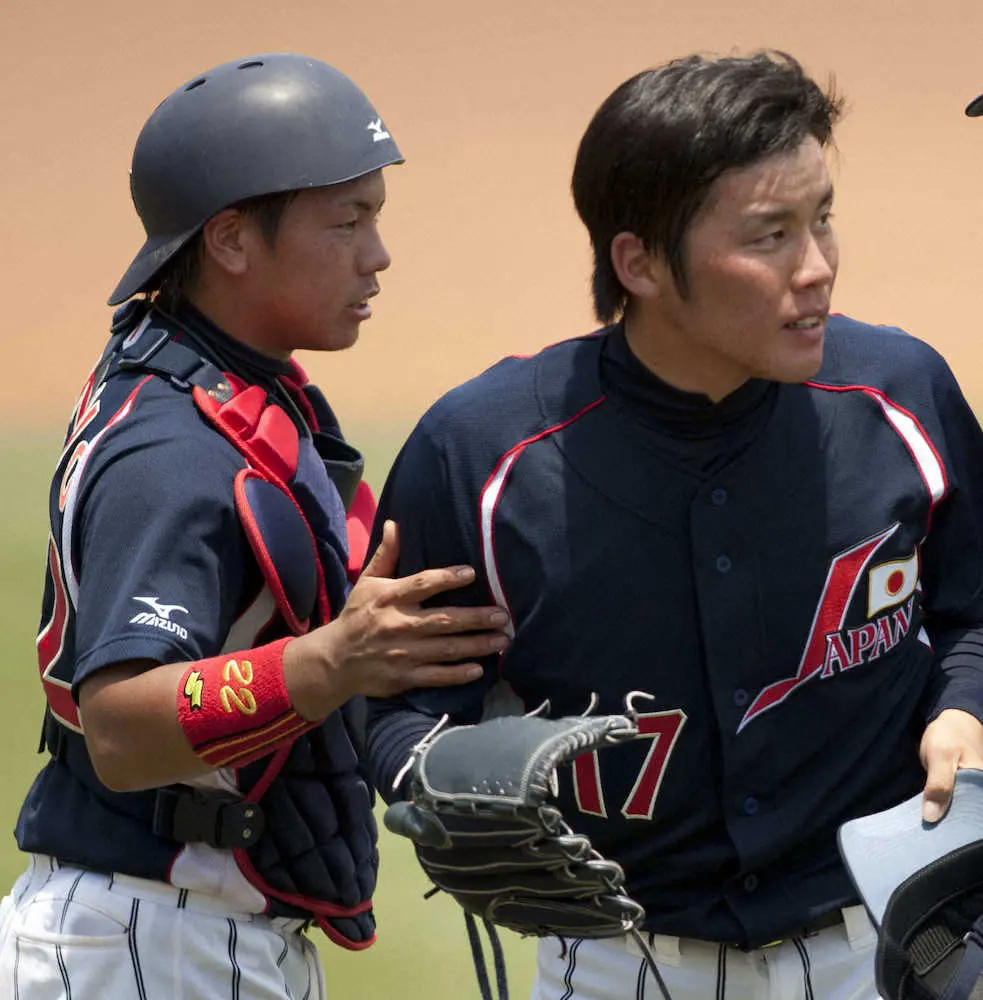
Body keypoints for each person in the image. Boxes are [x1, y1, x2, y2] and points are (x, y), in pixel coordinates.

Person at [364, 51, 983, 1000]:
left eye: (821, 220)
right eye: (769, 236)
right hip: (616, 964)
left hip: (884, 947)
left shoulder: (898, 397)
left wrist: (965, 706)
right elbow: (397, 698)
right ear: (639, 261)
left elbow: (975, 609)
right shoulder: (484, 455)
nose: (815, 269)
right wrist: (431, 772)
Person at [0, 53, 509, 1000]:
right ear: (231, 240)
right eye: (345, 221)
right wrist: (331, 662)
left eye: (376, 216)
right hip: (148, 948)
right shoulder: (171, 450)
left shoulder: (224, 386)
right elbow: (118, 725)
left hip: (178, 935)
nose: (377, 254)